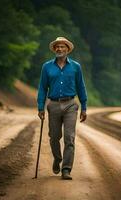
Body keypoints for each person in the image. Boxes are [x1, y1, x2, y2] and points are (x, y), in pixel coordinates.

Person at [37, 36, 87, 180]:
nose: (59, 49)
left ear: (67, 50)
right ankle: (57, 158)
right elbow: (42, 88)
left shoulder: (76, 67)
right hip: (53, 105)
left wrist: (84, 107)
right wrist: (40, 107)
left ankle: (66, 169)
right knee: (54, 137)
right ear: (54, 49)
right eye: (57, 47)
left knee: (69, 138)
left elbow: (81, 87)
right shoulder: (47, 67)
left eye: (62, 47)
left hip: (71, 104)